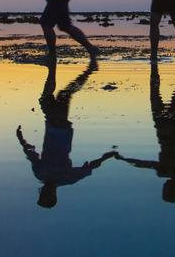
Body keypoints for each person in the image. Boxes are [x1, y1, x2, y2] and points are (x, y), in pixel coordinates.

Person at [16, 63, 117, 208]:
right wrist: (106, 156)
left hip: (51, 127)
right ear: (53, 194)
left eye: (42, 194)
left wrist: (21, 139)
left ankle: (69, 71)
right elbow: (88, 169)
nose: (44, 191)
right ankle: (87, 71)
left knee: (53, 98)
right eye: (47, 195)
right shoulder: (66, 178)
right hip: (62, 130)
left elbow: (31, 154)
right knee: (60, 96)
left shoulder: (40, 174)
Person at [114, 60, 175, 202]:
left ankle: (156, 66)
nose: (163, 186)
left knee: (155, 91)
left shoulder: (163, 171)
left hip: (162, 128)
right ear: (173, 190)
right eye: (165, 189)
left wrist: (124, 159)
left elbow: (144, 164)